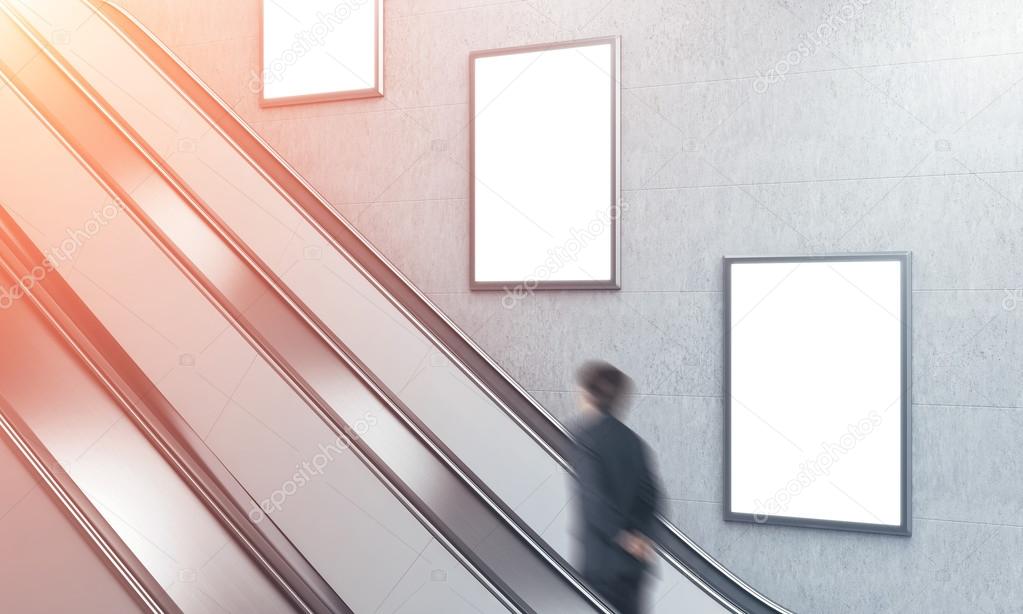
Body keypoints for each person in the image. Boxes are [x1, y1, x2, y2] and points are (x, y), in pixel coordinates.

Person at [572, 361, 662, 614]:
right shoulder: (634, 442)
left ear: (588, 394)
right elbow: (652, 497)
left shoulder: (586, 438)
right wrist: (643, 538)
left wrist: (622, 537)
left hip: (602, 566)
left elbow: (594, 500)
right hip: (634, 566)